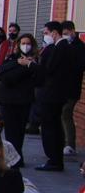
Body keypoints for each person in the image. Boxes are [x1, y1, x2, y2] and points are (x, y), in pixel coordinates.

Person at [0, 32, 37, 166]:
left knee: (19, 130)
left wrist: (24, 67)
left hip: (23, 100)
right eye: (23, 43)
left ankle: (17, 157)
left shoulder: (34, 60)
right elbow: (2, 71)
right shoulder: (13, 57)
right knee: (10, 130)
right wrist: (18, 63)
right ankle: (13, 157)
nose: (26, 46)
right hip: (7, 100)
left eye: (28, 43)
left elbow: (31, 75)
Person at [36, 21, 69, 171]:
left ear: (54, 33)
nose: (45, 36)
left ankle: (54, 159)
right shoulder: (61, 47)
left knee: (50, 126)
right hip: (55, 94)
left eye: (46, 33)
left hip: (52, 95)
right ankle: (55, 158)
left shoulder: (60, 48)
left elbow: (49, 69)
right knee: (53, 125)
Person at [60, 20, 85, 158]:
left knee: (65, 113)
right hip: (62, 87)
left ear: (72, 32)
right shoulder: (64, 45)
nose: (65, 36)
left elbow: (79, 66)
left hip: (71, 87)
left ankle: (70, 145)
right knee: (62, 114)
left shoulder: (79, 47)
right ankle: (64, 142)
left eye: (66, 33)